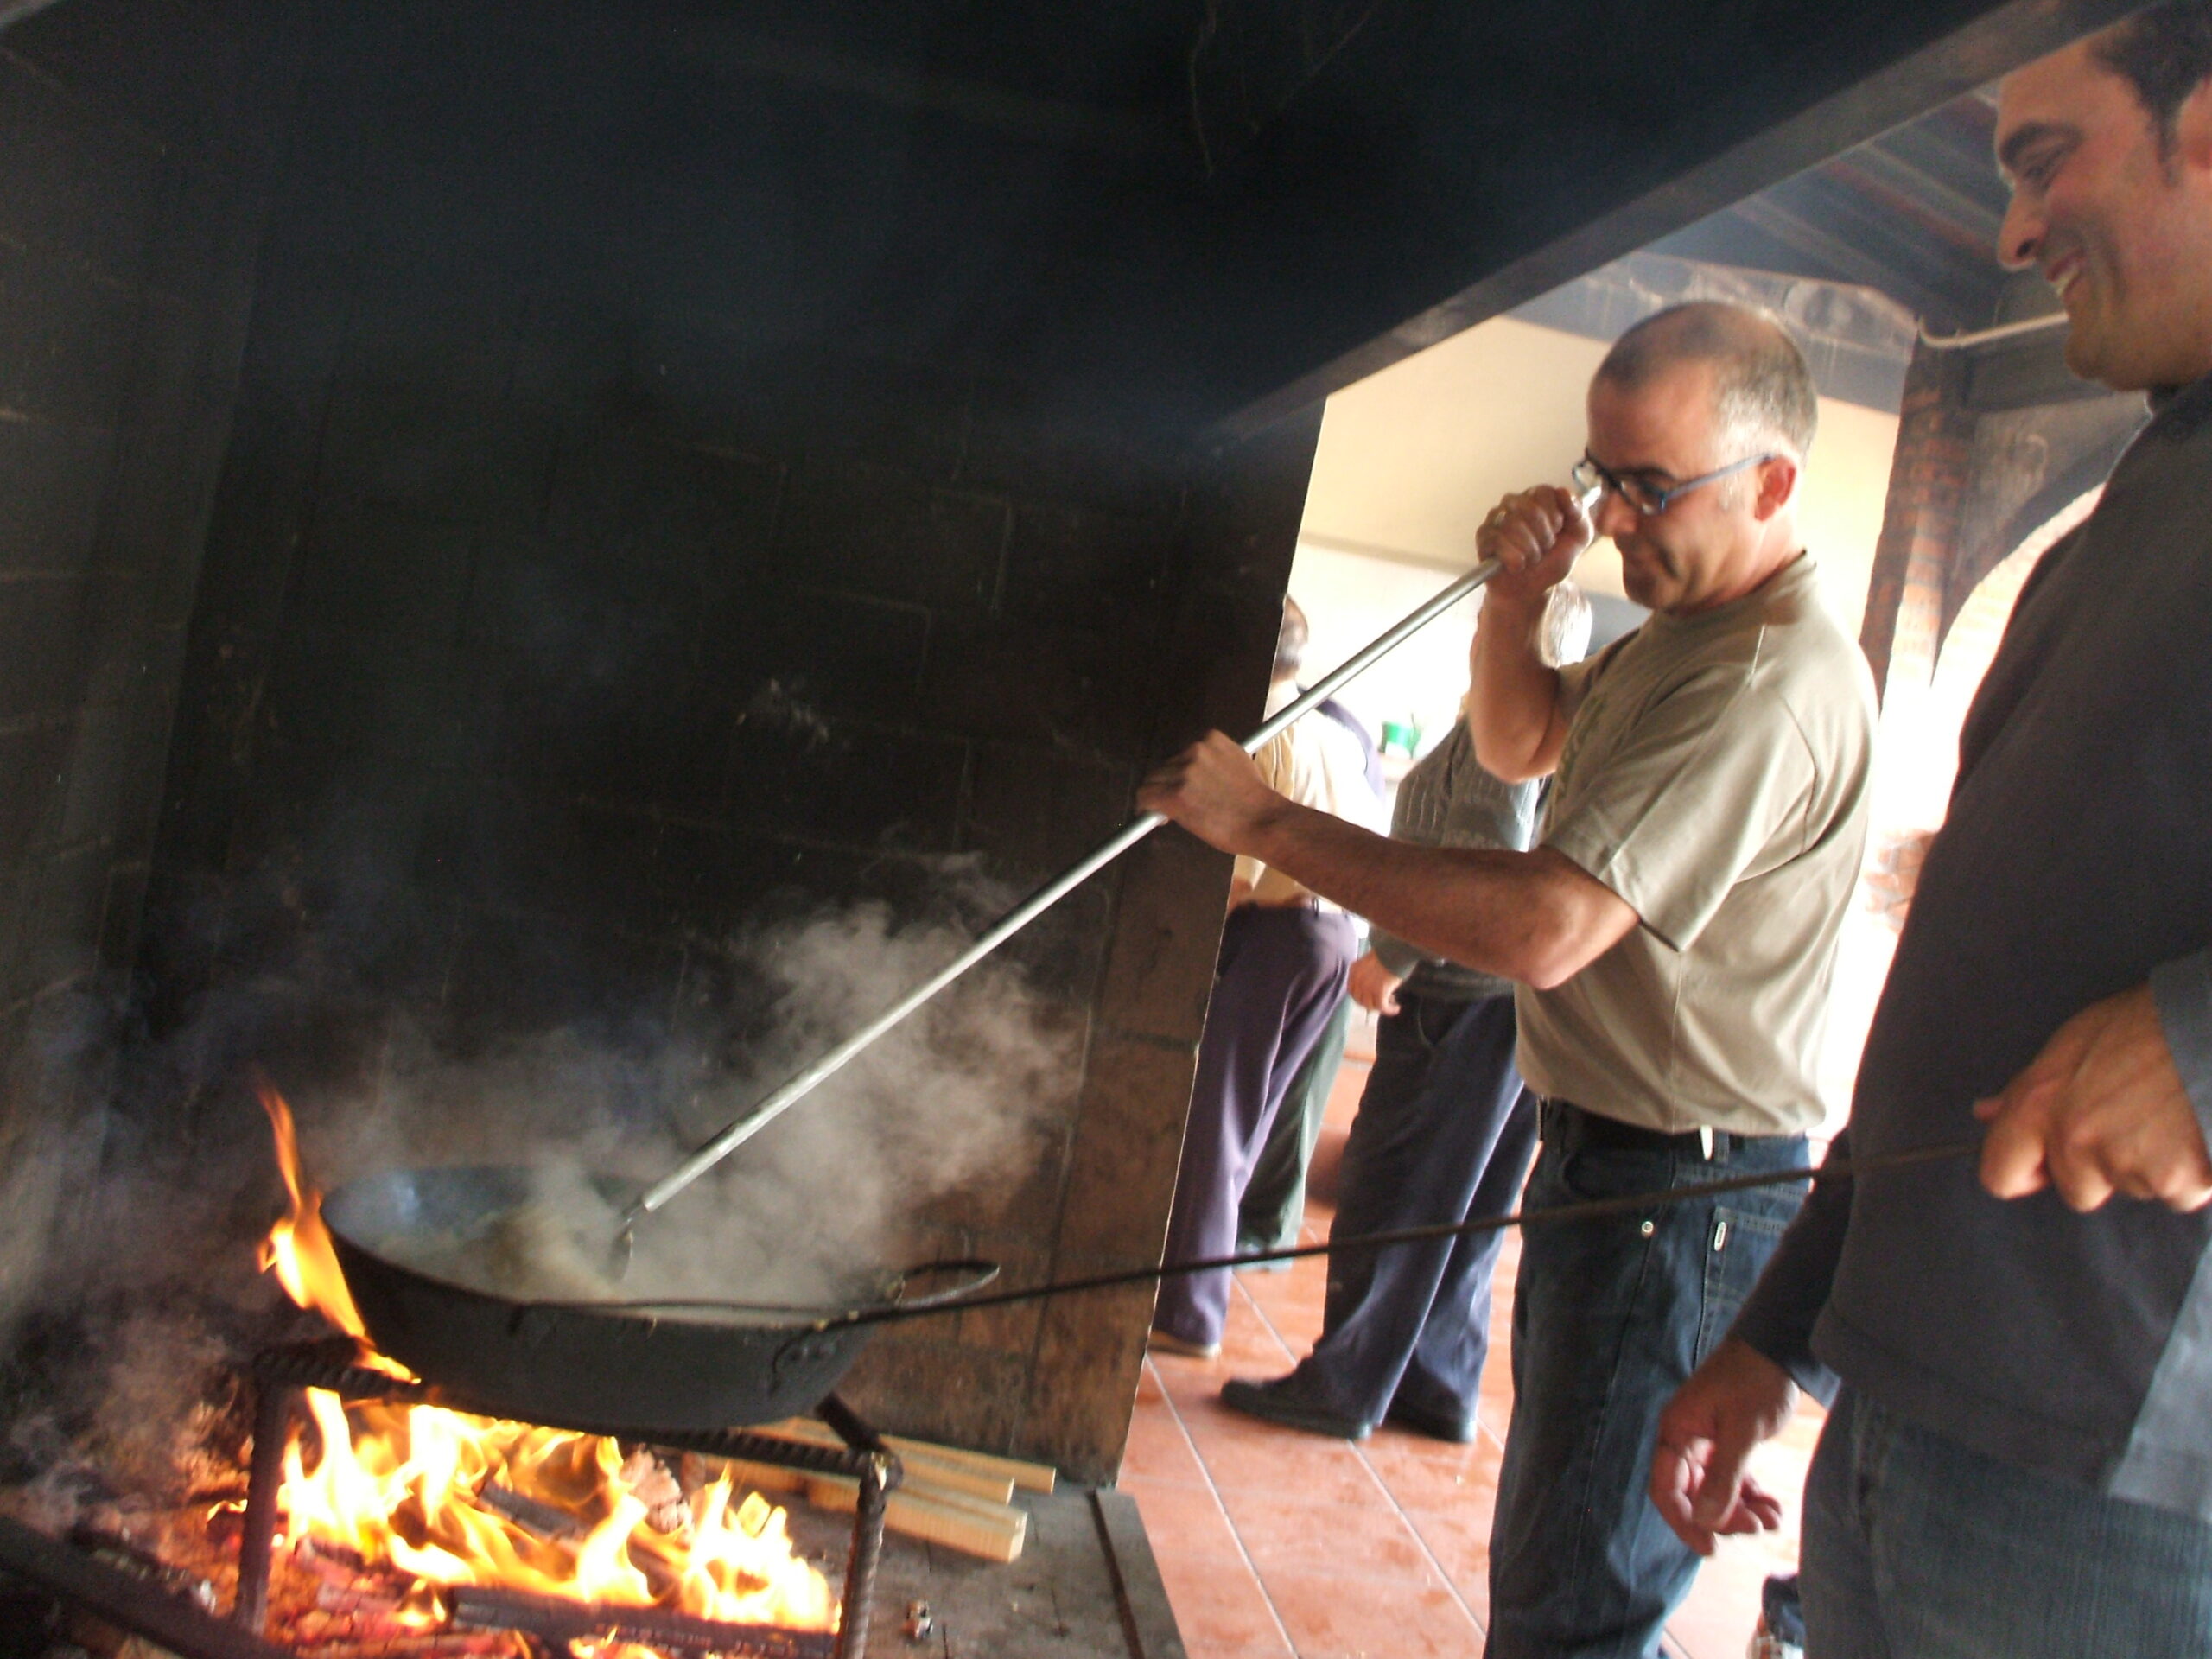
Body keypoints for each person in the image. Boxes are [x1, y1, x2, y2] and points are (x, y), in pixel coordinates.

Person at [1140, 298, 1876, 1658]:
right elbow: (1520, 742)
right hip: (1615, 1156)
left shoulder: (1762, 679)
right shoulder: (1685, 629)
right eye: (1603, 476)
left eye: (1652, 485)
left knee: (1574, 1614)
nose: (1616, 517)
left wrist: (1271, 826)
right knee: (1562, 1577)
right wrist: (1516, 602)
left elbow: (1550, 926)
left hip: (1683, 1189)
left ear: (1772, 482)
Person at [1649, 13, 2212, 1655]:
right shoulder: (2118, 519)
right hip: (1907, 1405)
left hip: (2125, 1487)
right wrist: (1786, 1333)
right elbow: (1964, 984)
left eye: (2047, 160)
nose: (2014, 235)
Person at [1219, 582, 1592, 1444]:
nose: (1478, 636)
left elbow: (1484, 856)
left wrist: (1396, 952)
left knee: (1395, 1191)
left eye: (1492, 622)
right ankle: (1435, 1384)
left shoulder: (1503, 741)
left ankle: (1344, 1385)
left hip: (1459, 998)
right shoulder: (1549, 735)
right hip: (1511, 1008)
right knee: (1461, 1207)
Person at [1149, 597, 1382, 1360]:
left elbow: (1237, 882)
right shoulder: (1331, 729)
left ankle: (1189, 1315)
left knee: (1217, 1123)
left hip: (1277, 936)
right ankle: (1194, 1294)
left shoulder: (1255, 740)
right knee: (1247, 1125)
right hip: (1335, 939)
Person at [1236, 692, 1386, 1262]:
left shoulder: (1304, 727)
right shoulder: (1338, 729)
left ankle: (1268, 1226)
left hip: (1312, 923)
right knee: (1287, 1090)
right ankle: (1256, 1220)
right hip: (1336, 928)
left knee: (1292, 1095)